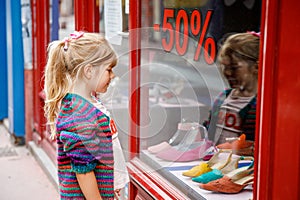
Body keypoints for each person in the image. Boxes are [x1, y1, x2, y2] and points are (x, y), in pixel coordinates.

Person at [44, 31, 128, 199]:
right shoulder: (79, 116)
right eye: (109, 70)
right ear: (89, 71)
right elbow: (83, 172)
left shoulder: (89, 103)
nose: (113, 76)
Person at [203, 31, 260, 151]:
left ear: (256, 67)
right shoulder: (224, 96)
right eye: (224, 67)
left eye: (234, 68)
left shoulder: (260, 105)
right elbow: (209, 130)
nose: (228, 73)